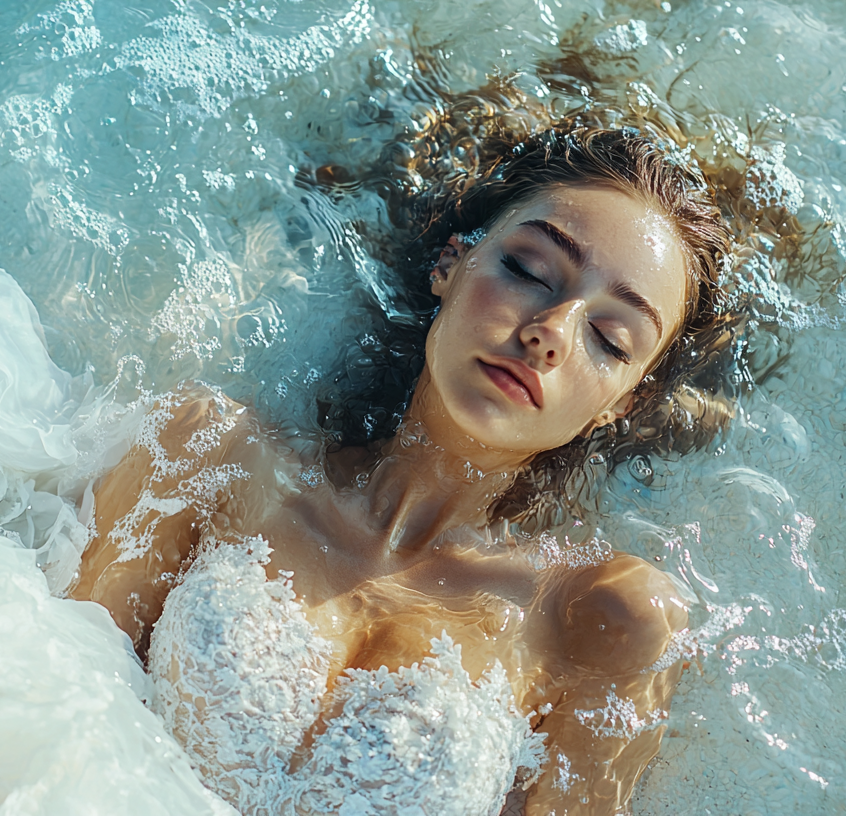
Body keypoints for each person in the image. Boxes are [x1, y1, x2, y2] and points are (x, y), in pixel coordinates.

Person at [71, 108, 735, 815]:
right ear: (452, 263)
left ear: (620, 406)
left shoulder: (602, 619)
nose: (550, 333)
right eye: (527, 269)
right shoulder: (204, 450)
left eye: (609, 337)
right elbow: (44, 702)